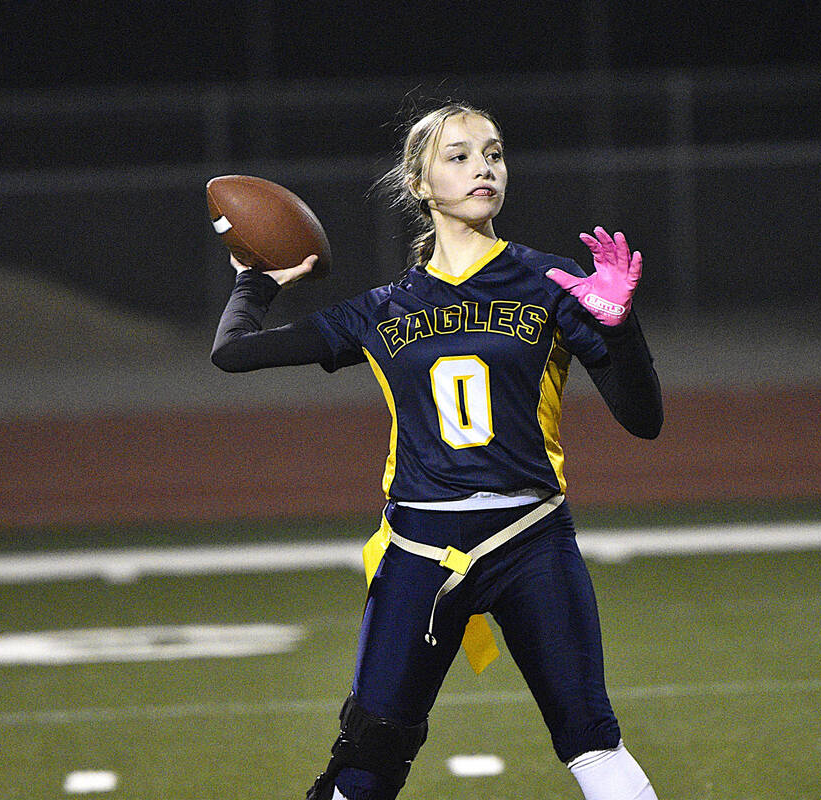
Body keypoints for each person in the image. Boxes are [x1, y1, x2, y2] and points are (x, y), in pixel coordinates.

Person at [211, 102, 663, 800]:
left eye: (494, 152)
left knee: (592, 739)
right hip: (421, 548)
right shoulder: (382, 307)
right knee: (368, 760)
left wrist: (621, 328)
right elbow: (233, 352)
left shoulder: (553, 283)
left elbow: (643, 420)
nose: (484, 167)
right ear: (419, 184)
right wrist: (255, 280)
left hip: (530, 539)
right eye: (459, 156)